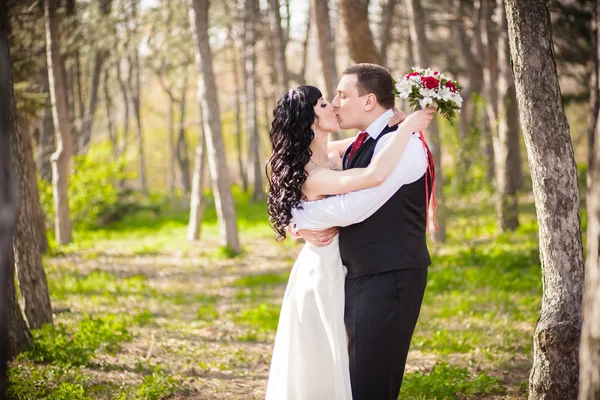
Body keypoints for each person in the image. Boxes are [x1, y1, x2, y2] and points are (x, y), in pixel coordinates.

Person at [264, 82, 434, 400]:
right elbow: (373, 175)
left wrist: (390, 120)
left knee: (342, 357)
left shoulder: (331, 151)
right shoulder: (312, 174)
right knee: (321, 360)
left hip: (342, 268)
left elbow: (366, 138)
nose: (335, 107)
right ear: (310, 119)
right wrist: (409, 126)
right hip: (321, 273)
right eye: (325, 104)